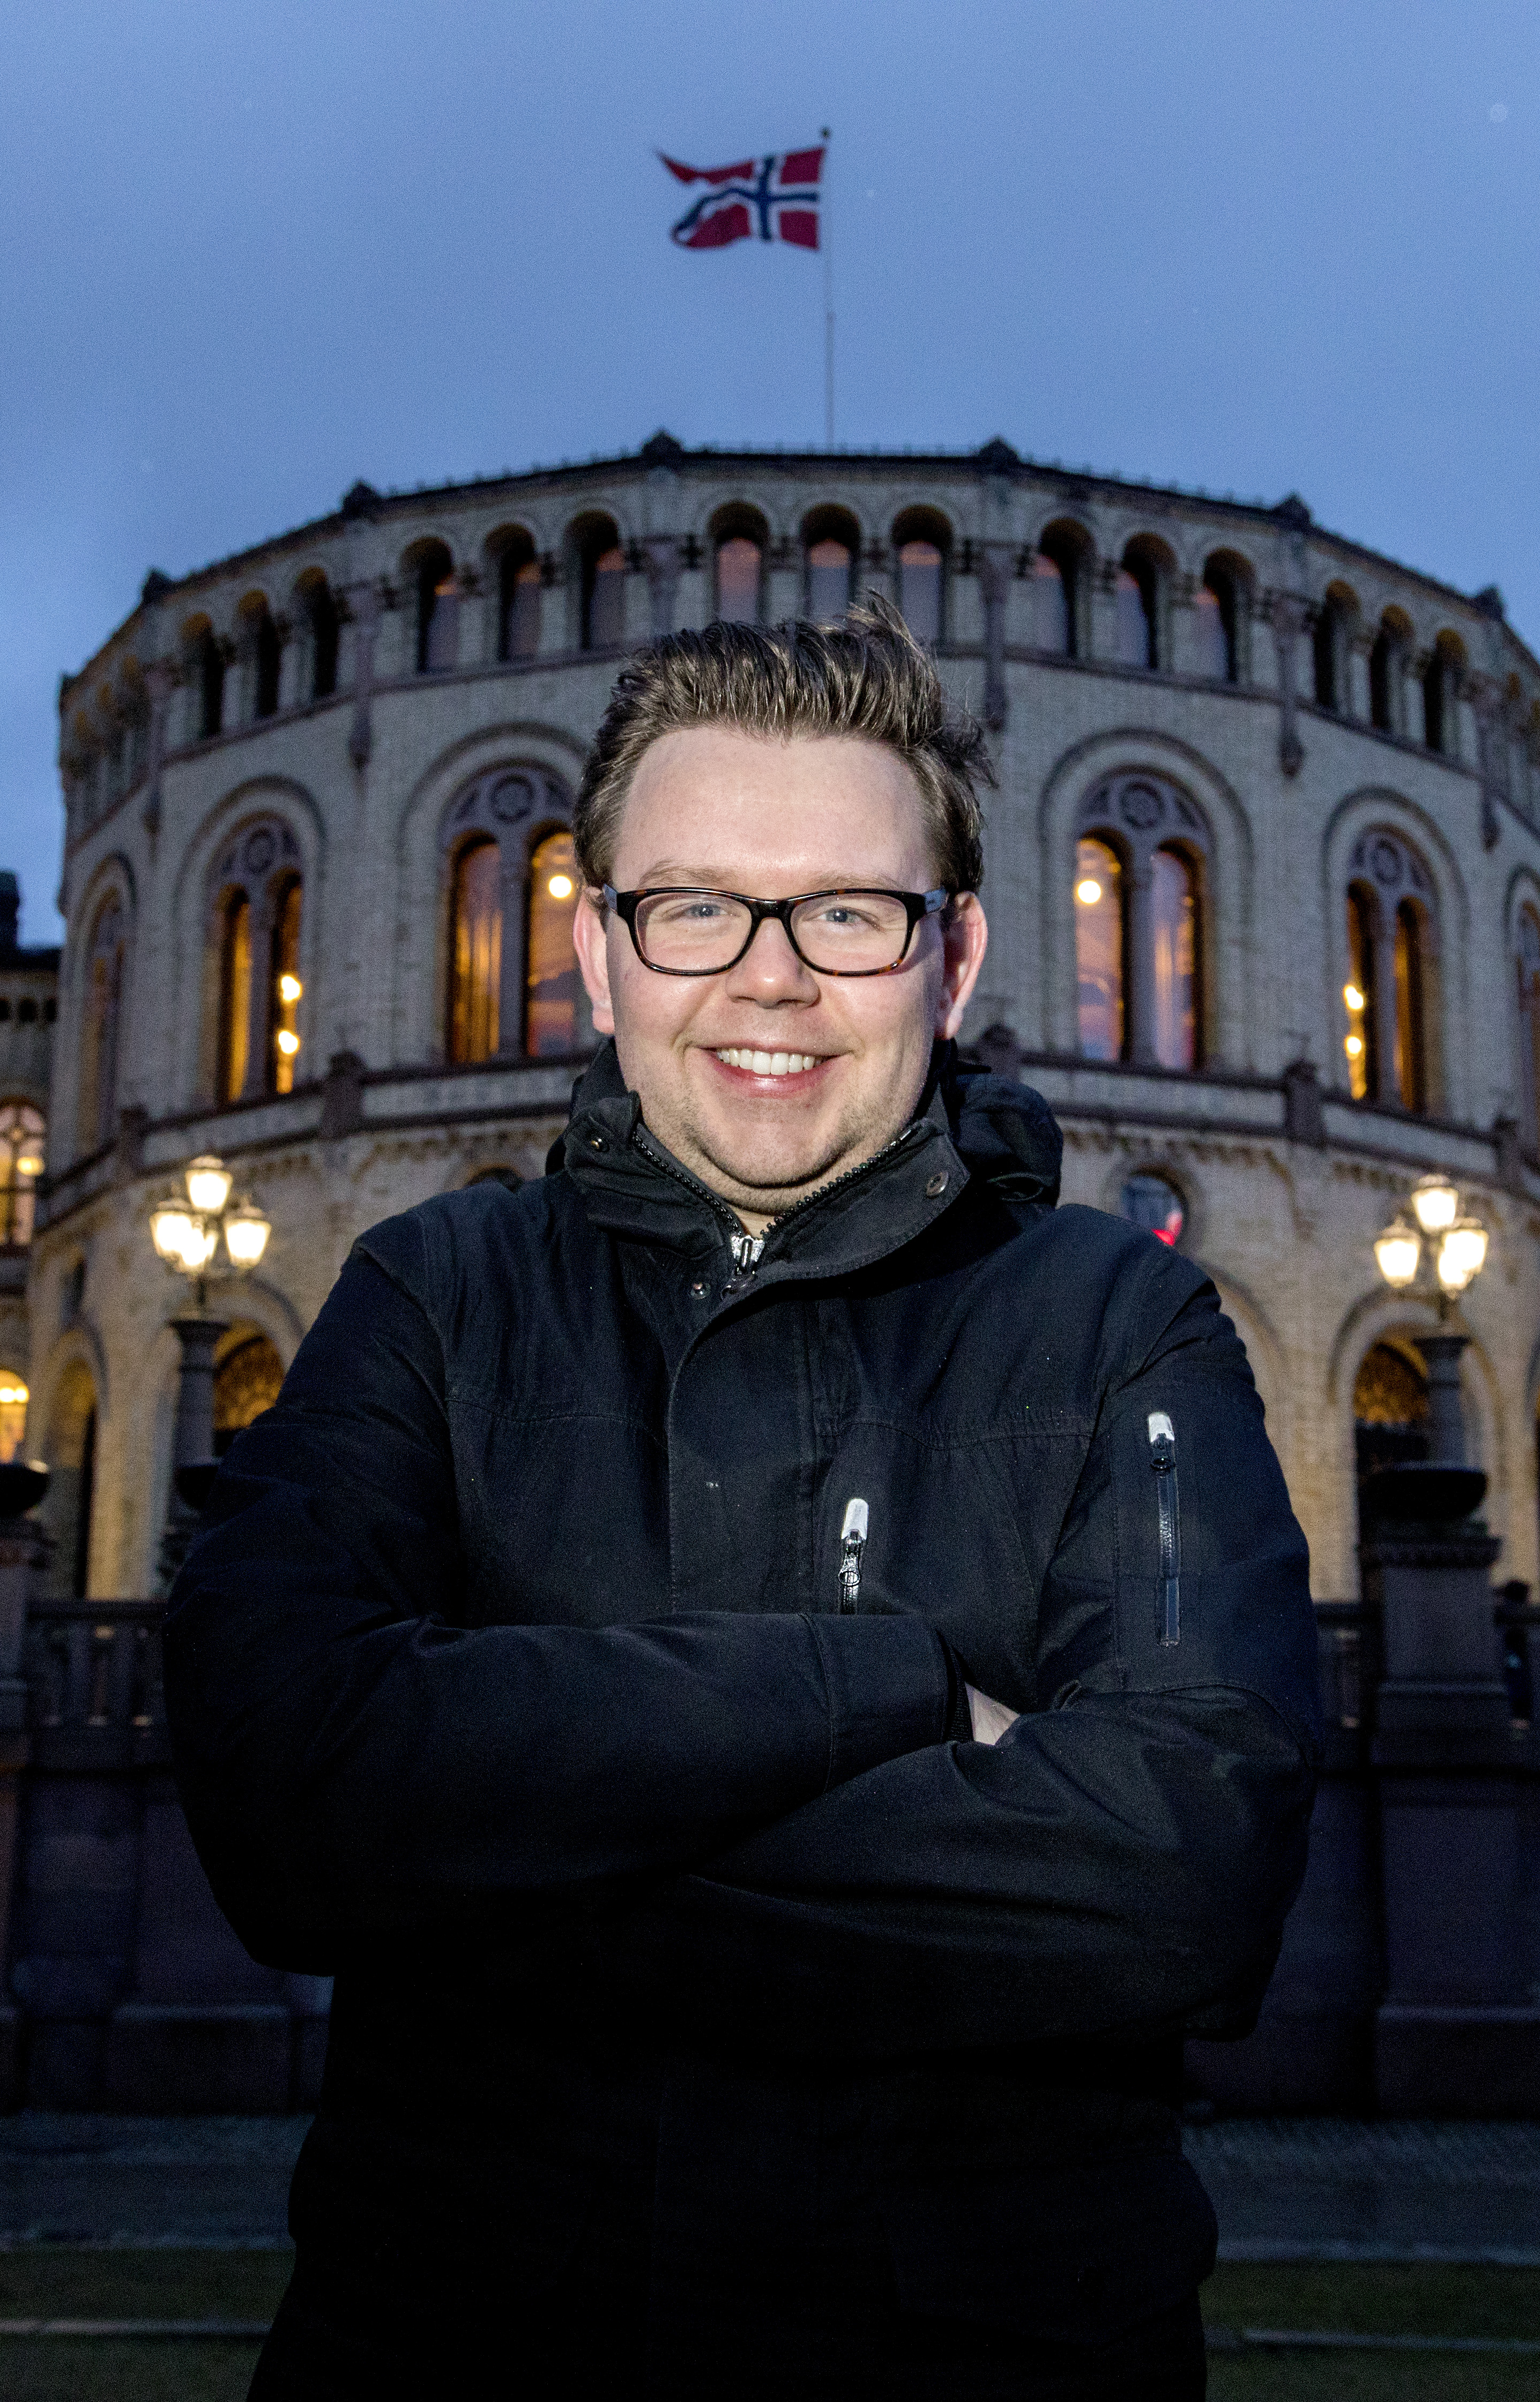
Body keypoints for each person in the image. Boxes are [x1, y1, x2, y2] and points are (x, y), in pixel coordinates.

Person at [165, 597, 1321, 2399]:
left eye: (845, 915)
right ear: (600, 951)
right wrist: (889, 1693)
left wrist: (498, 1853)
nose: (767, 980)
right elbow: (282, 1792)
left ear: (950, 963)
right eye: (695, 906)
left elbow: (1190, 1871)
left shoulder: (1117, 1323)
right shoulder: (436, 1296)